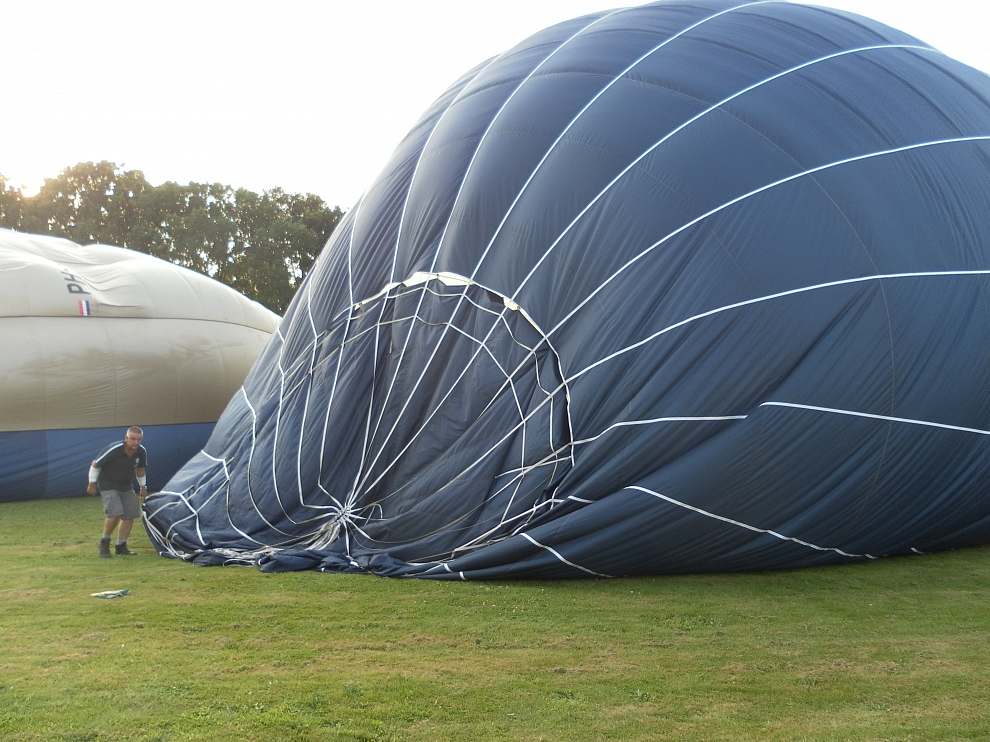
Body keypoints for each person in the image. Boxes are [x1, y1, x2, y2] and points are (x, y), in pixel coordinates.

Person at [87, 426, 148, 558]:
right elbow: (95, 464)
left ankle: (121, 546)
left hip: (126, 486)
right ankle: (104, 542)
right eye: (133, 439)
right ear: (126, 438)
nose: (136, 442)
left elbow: (140, 470)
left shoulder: (141, 451)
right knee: (115, 512)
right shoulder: (114, 449)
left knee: (129, 515)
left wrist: (143, 487)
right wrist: (92, 483)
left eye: (139, 439)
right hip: (108, 484)